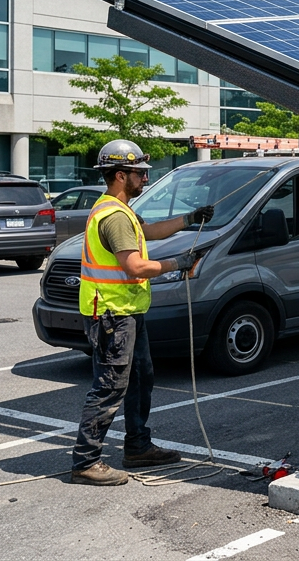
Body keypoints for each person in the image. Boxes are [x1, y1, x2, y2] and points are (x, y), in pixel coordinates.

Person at [71, 140, 215, 487]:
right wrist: (176, 264)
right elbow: (134, 265)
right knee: (109, 387)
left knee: (139, 381)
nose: (145, 178)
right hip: (113, 316)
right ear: (121, 175)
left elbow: (148, 233)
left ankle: (137, 446)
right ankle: (85, 461)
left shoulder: (120, 210)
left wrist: (188, 220)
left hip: (128, 314)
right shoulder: (114, 216)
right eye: (140, 173)